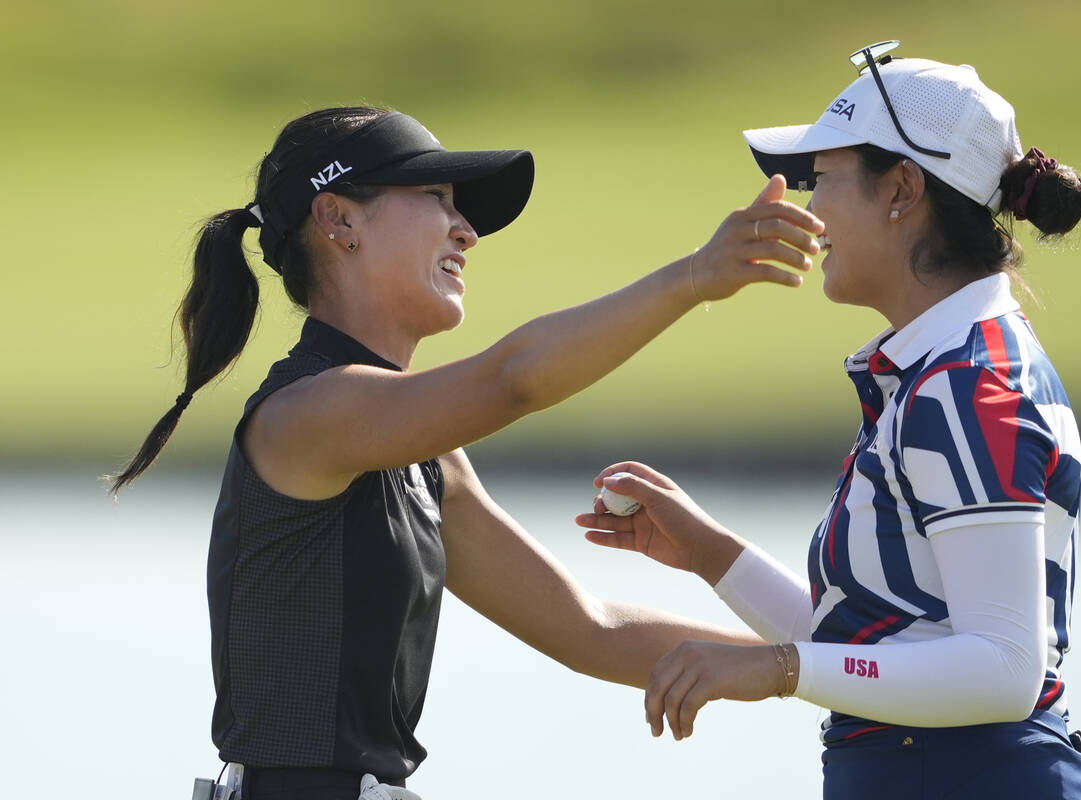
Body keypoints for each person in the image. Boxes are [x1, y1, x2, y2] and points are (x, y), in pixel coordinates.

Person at [107, 105, 823, 800]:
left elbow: (591, 630)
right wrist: (694, 277)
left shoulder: (425, 454)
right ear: (339, 219)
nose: (468, 232)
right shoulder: (309, 413)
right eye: (436, 199)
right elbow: (513, 380)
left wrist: (814, 670)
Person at [577, 42, 1081, 799]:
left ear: (902, 188)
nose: (811, 209)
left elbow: (1002, 671)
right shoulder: (940, 371)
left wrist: (777, 670)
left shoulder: (969, 382)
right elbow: (881, 645)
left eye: (825, 178)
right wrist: (710, 552)